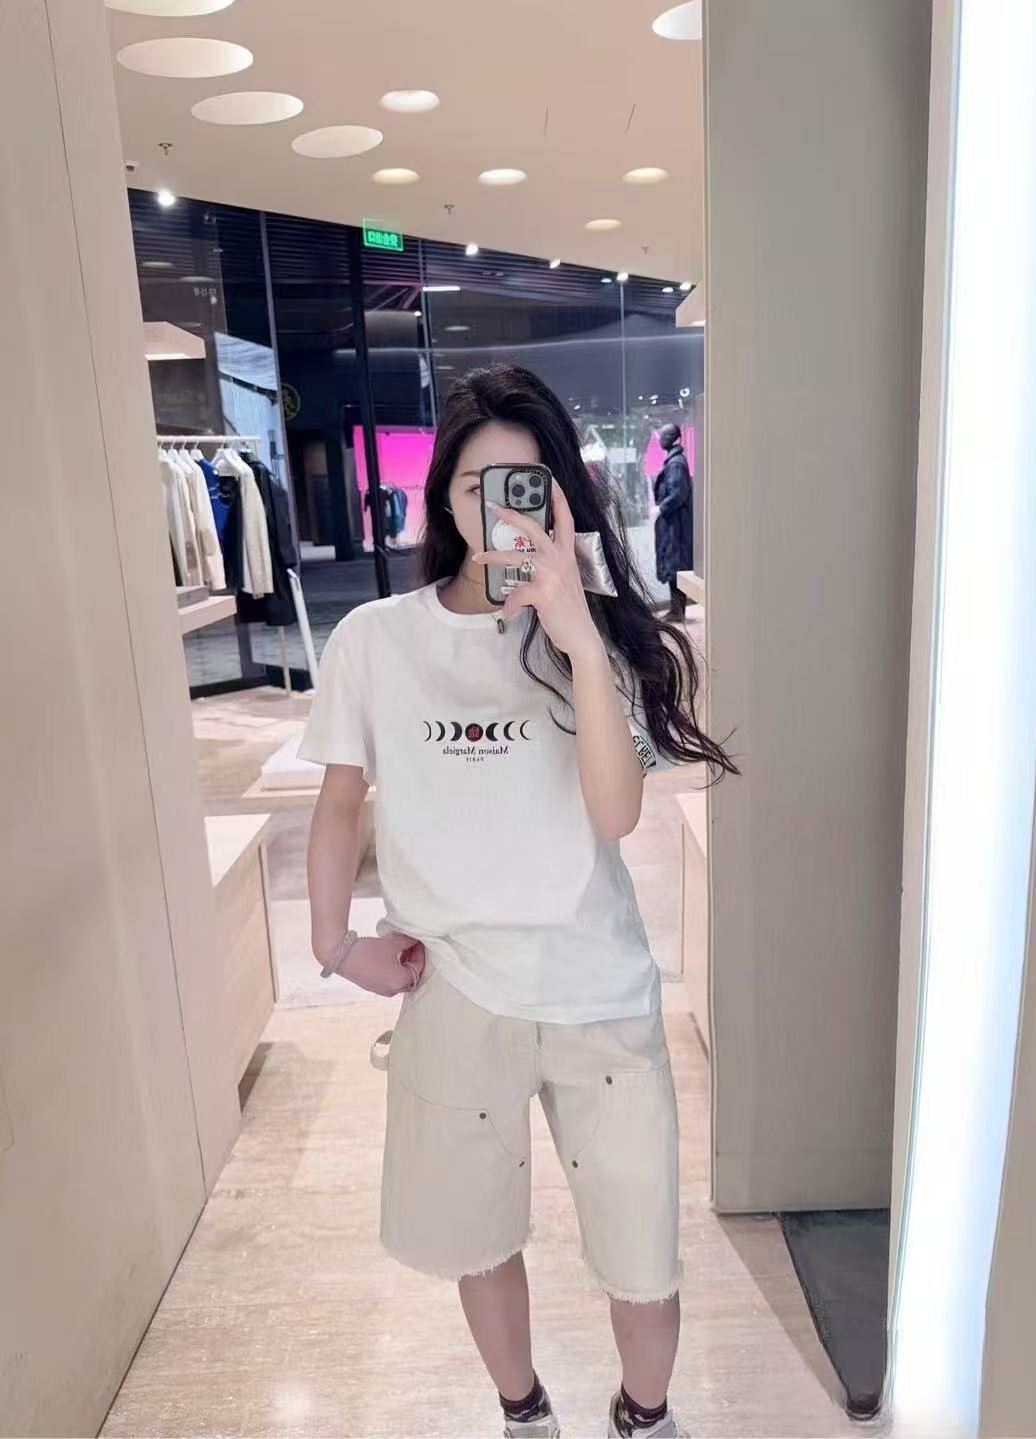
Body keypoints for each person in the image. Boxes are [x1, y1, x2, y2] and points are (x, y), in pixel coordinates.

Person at [300, 366, 737, 1439]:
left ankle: (644, 1415)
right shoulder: (376, 640)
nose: (505, 508)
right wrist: (335, 945)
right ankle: (524, 1411)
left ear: (561, 498)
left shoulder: (598, 638)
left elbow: (613, 813)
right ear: (446, 500)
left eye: (529, 484)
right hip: (455, 988)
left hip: (598, 989)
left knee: (644, 1256)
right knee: (477, 1234)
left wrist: (576, 634)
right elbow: (340, 800)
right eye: (480, 485)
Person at [653, 424, 693, 621]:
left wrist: (662, 508)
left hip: (676, 526)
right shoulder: (674, 461)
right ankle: (676, 609)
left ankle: (678, 611)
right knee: (673, 565)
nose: (661, 439)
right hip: (672, 524)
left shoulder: (676, 463)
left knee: (676, 566)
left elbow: (678, 493)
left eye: (665, 435)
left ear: (673, 438)